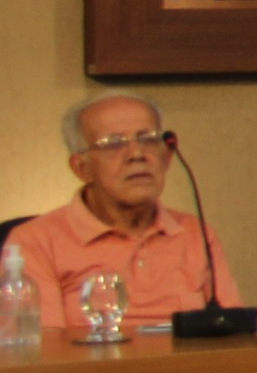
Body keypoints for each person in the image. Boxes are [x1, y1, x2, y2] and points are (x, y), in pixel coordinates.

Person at [7, 94, 241, 318]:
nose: (137, 154)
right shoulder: (35, 241)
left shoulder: (194, 233)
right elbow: (46, 350)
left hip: (188, 361)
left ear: (166, 158)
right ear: (82, 168)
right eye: (113, 144)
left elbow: (234, 334)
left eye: (148, 139)